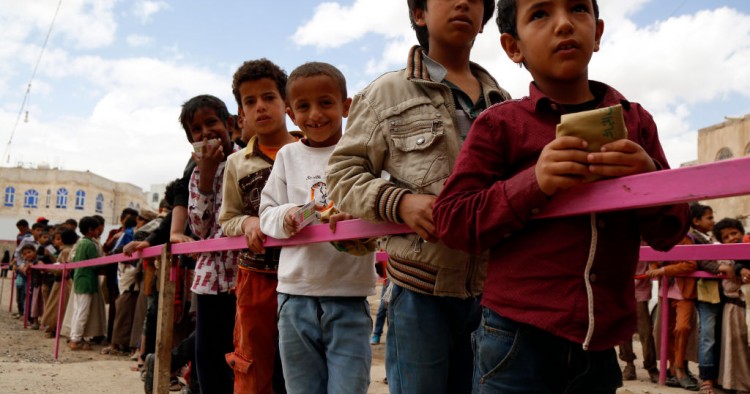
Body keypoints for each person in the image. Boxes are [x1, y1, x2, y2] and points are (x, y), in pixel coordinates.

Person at [431, 0, 690, 392]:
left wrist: (647, 181)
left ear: (598, 33)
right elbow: (452, 220)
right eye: (540, 14)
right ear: (512, 47)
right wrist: (534, 182)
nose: (564, 24)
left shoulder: (635, 122)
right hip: (514, 340)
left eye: (578, 9)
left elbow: (670, 232)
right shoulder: (500, 124)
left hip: (601, 347)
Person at [326, 1, 510, 392]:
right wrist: (400, 203)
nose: (464, 2)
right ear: (420, 13)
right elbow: (342, 174)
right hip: (419, 290)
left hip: (493, 289)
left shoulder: (504, 103)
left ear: (484, 20)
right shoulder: (385, 94)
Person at [260, 61, 377, 394]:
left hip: (349, 296)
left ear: (346, 106)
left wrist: (358, 221)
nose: (315, 114)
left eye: (325, 102)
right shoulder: (287, 156)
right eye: (303, 106)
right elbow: (266, 212)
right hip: (294, 298)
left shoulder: (363, 153)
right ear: (290, 113)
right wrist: (288, 216)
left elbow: (382, 208)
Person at [219, 58, 300, 394]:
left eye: (268, 97)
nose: (260, 107)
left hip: (307, 275)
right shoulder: (237, 163)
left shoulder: (307, 151)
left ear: (286, 104)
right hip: (256, 277)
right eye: (250, 101)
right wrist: (249, 221)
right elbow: (227, 220)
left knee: (305, 362)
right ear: (242, 112)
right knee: (252, 361)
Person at [182, 94, 240, 394]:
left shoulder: (247, 160)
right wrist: (205, 174)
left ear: (229, 124)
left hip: (243, 275)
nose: (205, 132)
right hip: (208, 280)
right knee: (208, 356)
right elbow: (199, 228)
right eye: (196, 129)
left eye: (211, 122)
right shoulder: (195, 175)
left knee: (242, 352)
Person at [686, 203, 734, 394]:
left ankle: (720, 376)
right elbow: (699, 259)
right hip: (706, 294)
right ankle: (706, 378)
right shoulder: (694, 238)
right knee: (707, 335)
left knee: (719, 334)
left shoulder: (712, 238)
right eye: (709, 218)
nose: (713, 221)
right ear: (696, 221)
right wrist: (718, 268)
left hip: (720, 292)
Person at [715, 218, 750, 393]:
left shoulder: (747, 250)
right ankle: (740, 385)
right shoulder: (723, 257)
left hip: (747, 305)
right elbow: (722, 267)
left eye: (734, 233)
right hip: (734, 307)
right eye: (726, 237)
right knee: (736, 347)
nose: (731, 238)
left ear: (741, 233)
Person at [68, 216, 106, 350]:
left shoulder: (80, 242)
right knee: (82, 312)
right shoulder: (89, 244)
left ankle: (74, 336)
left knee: (77, 310)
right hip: (87, 281)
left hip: (79, 279)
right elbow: (95, 264)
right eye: (96, 229)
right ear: (91, 230)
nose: (98, 232)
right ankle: (76, 339)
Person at [41, 228, 79, 338]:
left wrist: (49, 269)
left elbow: (64, 268)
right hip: (61, 281)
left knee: (59, 306)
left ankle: (56, 328)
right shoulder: (67, 250)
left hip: (63, 282)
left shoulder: (66, 251)